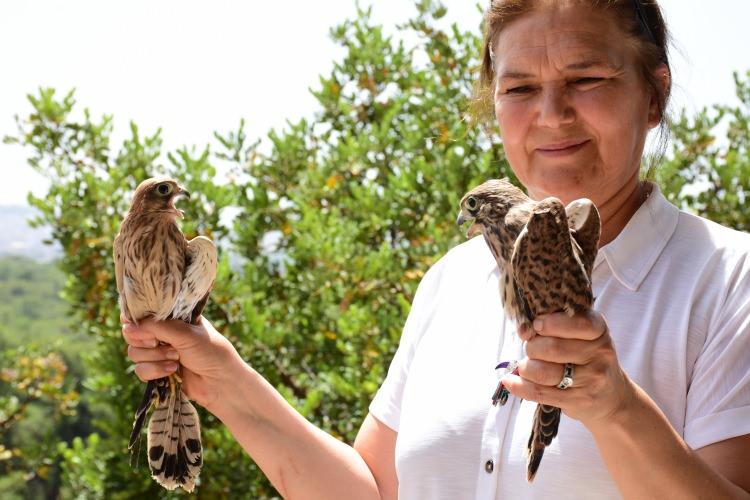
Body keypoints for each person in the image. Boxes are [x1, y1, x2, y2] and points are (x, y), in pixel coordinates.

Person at [122, 0, 750, 498]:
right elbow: (369, 493)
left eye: (586, 78)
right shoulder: (454, 281)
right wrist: (221, 377)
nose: (553, 114)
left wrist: (616, 411)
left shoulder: (728, 283)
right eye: (520, 89)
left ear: (654, 95)